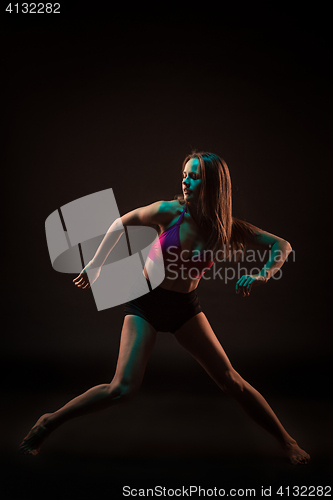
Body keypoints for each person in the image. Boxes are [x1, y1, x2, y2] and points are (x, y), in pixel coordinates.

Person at [19, 152, 310, 465]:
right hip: (146, 302)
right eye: (184, 174)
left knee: (231, 380)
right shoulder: (170, 212)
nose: (186, 181)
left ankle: (288, 442)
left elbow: (282, 246)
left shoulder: (225, 227)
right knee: (122, 388)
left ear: (213, 182)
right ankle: (48, 421)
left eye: (194, 176)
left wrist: (262, 273)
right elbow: (122, 222)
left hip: (185, 308)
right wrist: (96, 263)